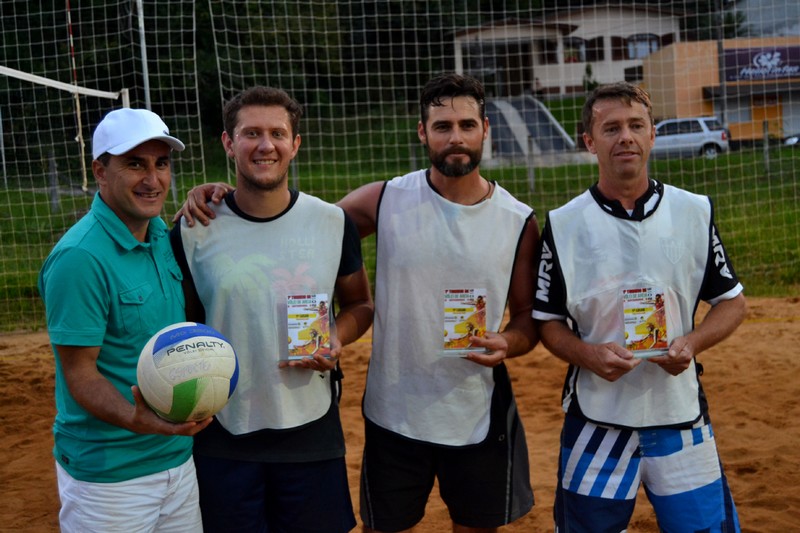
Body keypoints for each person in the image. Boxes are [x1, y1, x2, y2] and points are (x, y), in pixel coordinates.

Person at [180, 73, 540, 533]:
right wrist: (220, 197)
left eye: (467, 125)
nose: (455, 137)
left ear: (485, 129)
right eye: (442, 126)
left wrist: (507, 341)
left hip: (477, 410)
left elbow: (528, 319)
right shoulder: (383, 199)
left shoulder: (518, 220)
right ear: (422, 132)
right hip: (393, 411)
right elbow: (292, 224)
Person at [532, 82, 746, 532]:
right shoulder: (563, 224)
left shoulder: (694, 211)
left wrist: (692, 342)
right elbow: (548, 322)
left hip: (680, 416)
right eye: (611, 128)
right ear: (589, 141)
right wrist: (588, 354)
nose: (625, 137)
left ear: (652, 135)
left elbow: (731, 302)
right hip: (597, 421)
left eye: (635, 125)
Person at [170, 86, 374, 532]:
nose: (266, 145)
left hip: (310, 428)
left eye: (277, 133)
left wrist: (336, 336)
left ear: (294, 144)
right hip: (223, 431)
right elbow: (182, 324)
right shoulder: (193, 228)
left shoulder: (331, 222)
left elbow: (360, 303)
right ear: (229, 143)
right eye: (251, 133)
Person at [38, 108, 211, 532]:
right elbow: (80, 374)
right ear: (100, 171)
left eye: (161, 164)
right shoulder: (79, 258)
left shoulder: (159, 235)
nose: (153, 180)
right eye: (135, 164)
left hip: (176, 460)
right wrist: (137, 418)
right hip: (110, 478)